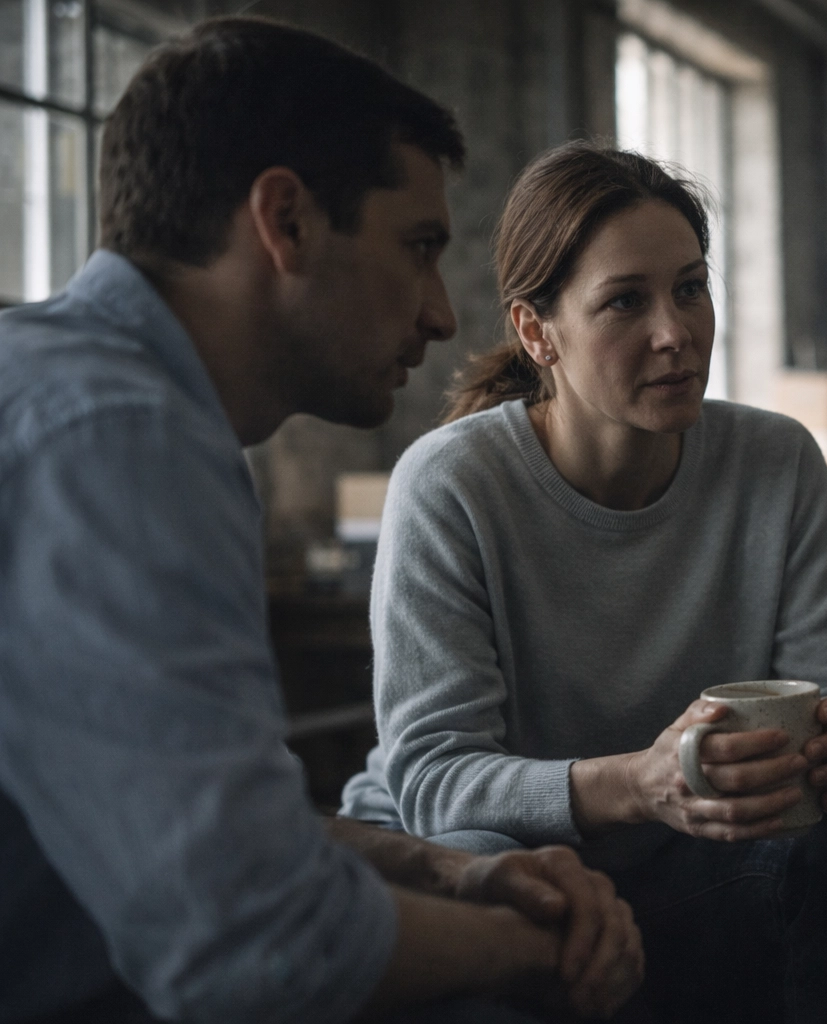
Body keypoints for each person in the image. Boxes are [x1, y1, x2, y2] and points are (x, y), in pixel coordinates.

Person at [0, 18, 641, 1024]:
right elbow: (256, 944)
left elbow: (202, 830)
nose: (440, 312)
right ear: (286, 221)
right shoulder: (121, 434)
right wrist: (529, 948)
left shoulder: (70, 385)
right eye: (419, 248)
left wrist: (452, 873)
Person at [337, 142, 827, 1024]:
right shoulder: (451, 484)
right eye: (626, 301)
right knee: (490, 885)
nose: (676, 332)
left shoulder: (775, 461)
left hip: (697, 859)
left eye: (691, 288)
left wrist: (816, 759)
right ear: (538, 331)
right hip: (498, 855)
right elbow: (435, 777)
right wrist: (640, 782)